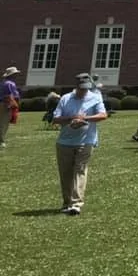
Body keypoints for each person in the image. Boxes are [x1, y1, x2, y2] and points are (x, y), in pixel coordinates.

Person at [52, 76, 108, 215]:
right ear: (76, 86)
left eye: (86, 88)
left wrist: (85, 119)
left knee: (80, 171)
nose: (84, 91)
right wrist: (73, 118)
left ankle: (76, 203)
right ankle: (66, 202)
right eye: (82, 88)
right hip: (65, 142)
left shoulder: (95, 98)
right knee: (66, 174)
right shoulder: (65, 99)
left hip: (86, 141)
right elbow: (55, 119)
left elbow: (103, 115)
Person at [0, 65, 22, 149]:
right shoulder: (10, 84)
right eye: (15, 74)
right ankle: (1, 141)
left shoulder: (2, 83)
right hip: (6, 104)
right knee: (4, 123)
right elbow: (14, 96)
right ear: (12, 75)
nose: (17, 76)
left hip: (2, 103)